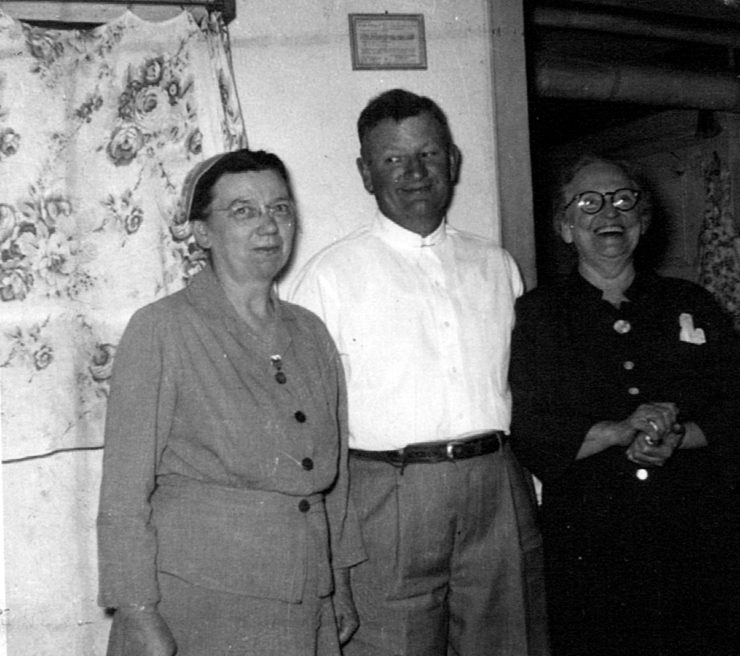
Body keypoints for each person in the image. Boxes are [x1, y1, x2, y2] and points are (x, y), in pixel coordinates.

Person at [289, 88, 549, 656]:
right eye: (392, 159)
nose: (413, 172)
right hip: (387, 494)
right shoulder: (330, 276)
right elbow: (300, 419)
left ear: (453, 161)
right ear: (365, 172)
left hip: (496, 485)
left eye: (428, 154)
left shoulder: (495, 264)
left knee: (510, 645)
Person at [97, 148, 365, 656]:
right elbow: (123, 495)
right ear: (201, 232)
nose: (268, 226)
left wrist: (340, 583)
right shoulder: (162, 328)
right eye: (243, 211)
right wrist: (136, 612)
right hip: (200, 602)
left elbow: (338, 478)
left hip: (305, 594)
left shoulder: (311, 333)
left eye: (280, 209)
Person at [509, 154, 740, 656]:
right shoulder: (536, 317)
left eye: (622, 200)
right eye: (588, 203)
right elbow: (528, 429)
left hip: (694, 533)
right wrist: (617, 430)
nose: (608, 214)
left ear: (643, 219)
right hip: (591, 543)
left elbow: (734, 405)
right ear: (565, 228)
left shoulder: (692, 303)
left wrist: (680, 437)